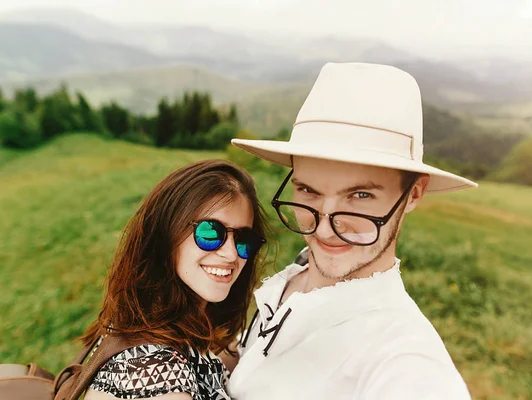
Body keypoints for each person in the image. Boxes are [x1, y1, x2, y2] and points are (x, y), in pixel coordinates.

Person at [223, 62, 478, 399]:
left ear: (413, 193)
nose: (326, 226)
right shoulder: (295, 278)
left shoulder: (407, 360)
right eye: (308, 191)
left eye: (360, 195)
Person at [81, 159, 268, 400]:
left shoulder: (151, 329)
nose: (231, 253)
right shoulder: (155, 371)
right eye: (210, 232)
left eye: (243, 239)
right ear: (167, 233)